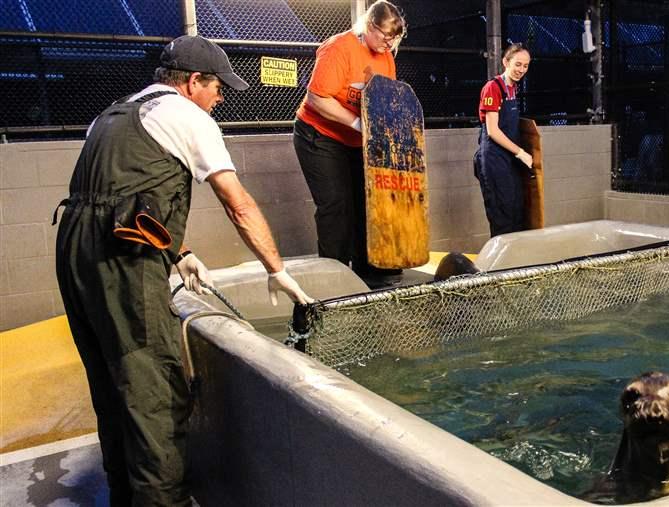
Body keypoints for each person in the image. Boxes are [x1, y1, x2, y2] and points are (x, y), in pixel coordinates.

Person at [54, 35, 313, 506]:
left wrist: (180, 250)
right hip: (121, 264)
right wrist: (276, 269)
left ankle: (124, 497)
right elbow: (238, 204)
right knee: (154, 391)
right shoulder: (189, 117)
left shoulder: (117, 112)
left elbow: (119, 197)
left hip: (73, 250)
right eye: (217, 88)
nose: (219, 98)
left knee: (111, 385)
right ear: (194, 82)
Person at [292, 0, 406, 288]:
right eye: (384, 35)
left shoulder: (386, 56)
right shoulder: (339, 47)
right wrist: (358, 124)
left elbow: (383, 96)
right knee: (336, 205)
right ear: (369, 26)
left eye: (394, 38)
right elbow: (318, 98)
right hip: (319, 136)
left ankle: (369, 270)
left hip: (358, 140)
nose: (388, 43)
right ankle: (335, 278)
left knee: (365, 201)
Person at [474, 43, 534, 237]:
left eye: (525, 66)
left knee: (516, 209)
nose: (521, 70)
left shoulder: (513, 88)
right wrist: (521, 152)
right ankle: (501, 268)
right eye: (518, 64)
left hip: (508, 159)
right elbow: (493, 131)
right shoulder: (493, 87)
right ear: (505, 62)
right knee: (502, 216)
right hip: (493, 158)